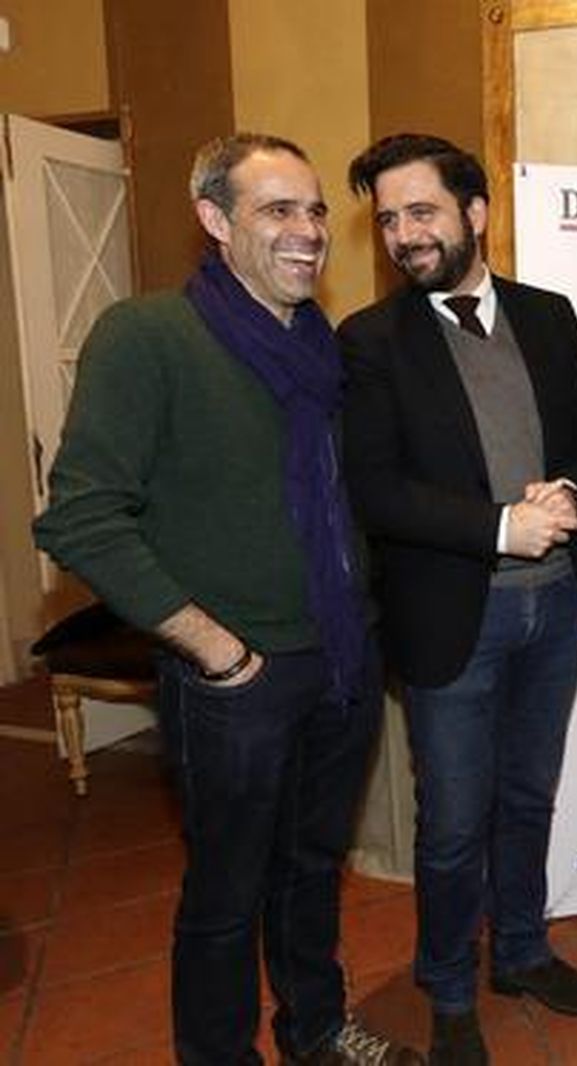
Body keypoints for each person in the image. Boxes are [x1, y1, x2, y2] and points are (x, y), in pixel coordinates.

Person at [32, 134, 418, 1065]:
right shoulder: (149, 335)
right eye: (277, 210)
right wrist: (216, 649)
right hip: (233, 682)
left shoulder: (319, 348)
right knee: (225, 895)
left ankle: (317, 1031)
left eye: (318, 210)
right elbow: (79, 520)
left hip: (339, 659)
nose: (309, 231)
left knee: (313, 872)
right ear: (213, 220)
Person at [340, 134, 577, 1064]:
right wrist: (503, 526)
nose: (403, 235)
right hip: (453, 622)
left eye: (421, 211)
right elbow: (376, 490)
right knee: (454, 822)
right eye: (387, 219)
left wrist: (574, 492)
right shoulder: (371, 342)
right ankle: (450, 989)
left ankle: (525, 953)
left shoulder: (549, 314)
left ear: (475, 213)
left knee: (528, 799)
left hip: (554, 613)